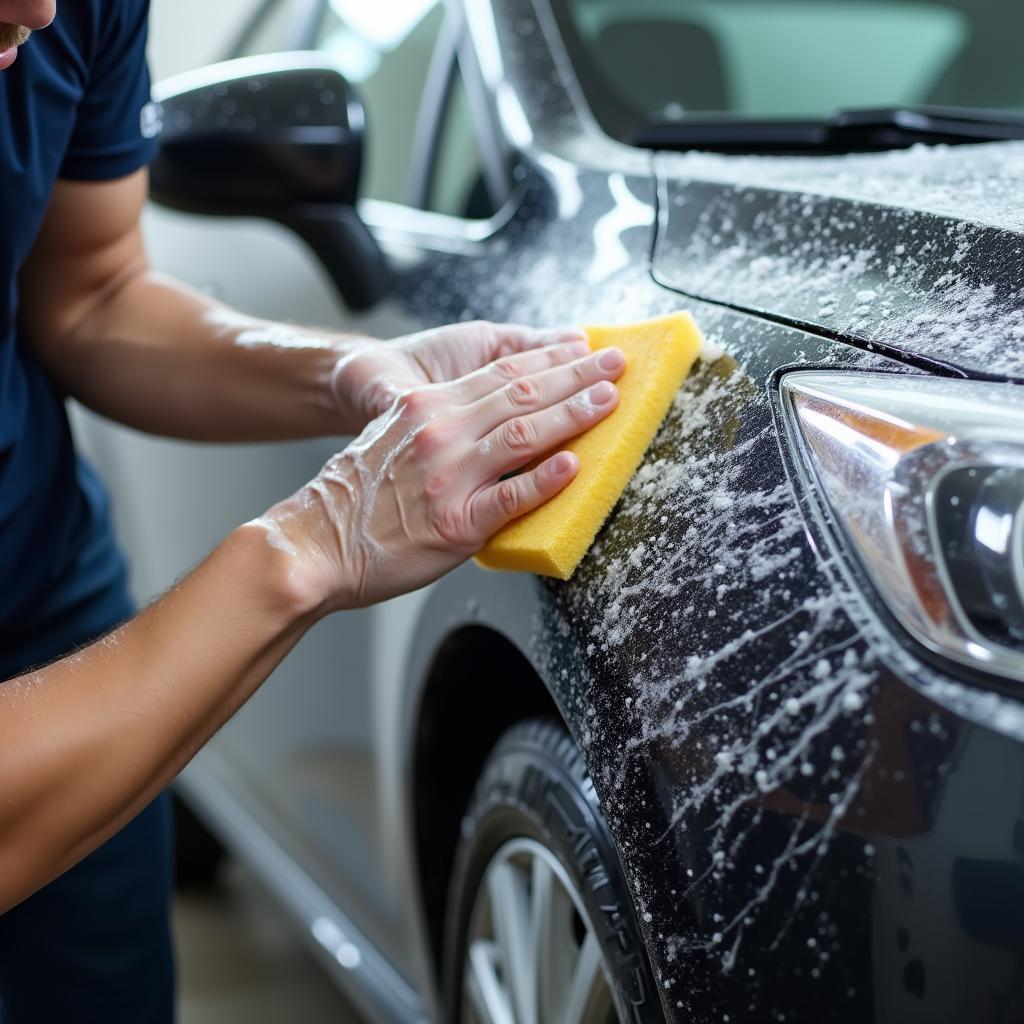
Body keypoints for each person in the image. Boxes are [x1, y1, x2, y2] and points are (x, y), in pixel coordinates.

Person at [0, 2, 626, 1021]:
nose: (43, 10)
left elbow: (91, 291)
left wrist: (351, 372)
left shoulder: (62, 12)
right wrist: (314, 542)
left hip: (42, 578)